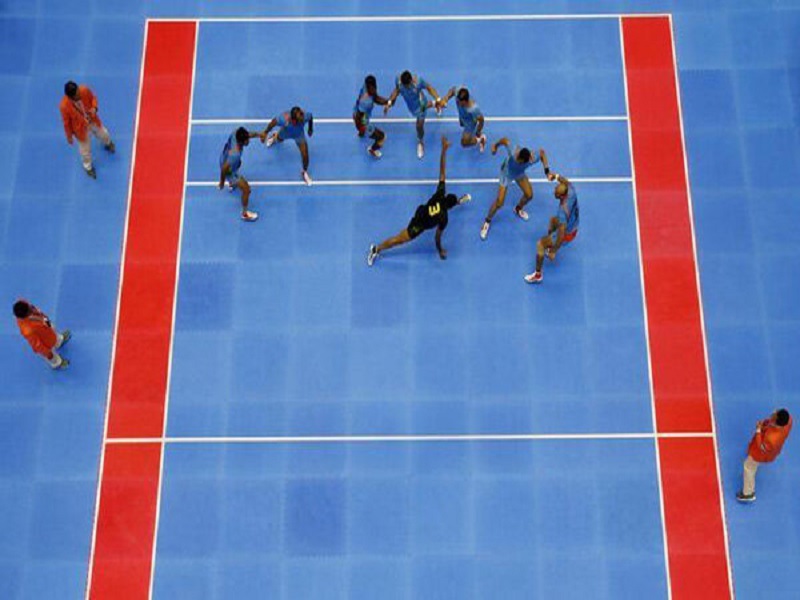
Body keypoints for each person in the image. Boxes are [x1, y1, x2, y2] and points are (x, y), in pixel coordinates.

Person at [367, 136, 470, 265]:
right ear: (450, 207)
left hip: (421, 210)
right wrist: (440, 250)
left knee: (406, 231)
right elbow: (437, 237)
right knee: (399, 240)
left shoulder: (440, 193)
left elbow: (442, 172)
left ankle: (458, 201)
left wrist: (444, 150)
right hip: (418, 225)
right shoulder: (444, 218)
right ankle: (376, 249)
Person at [480, 138, 550, 240]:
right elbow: (505, 140)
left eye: (520, 161)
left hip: (519, 174)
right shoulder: (513, 151)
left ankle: (518, 209)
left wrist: (547, 172)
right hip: (506, 173)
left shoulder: (531, 158)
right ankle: (487, 221)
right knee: (499, 202)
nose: (517, 159)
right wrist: (495, 145)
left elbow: (542, 153)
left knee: (529, 195)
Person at [524, 173, 579, 284]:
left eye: (556, 193)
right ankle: (550, 246)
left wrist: (554, 251)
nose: (554, 192)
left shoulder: (562, 211)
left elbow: (561, 234)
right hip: (573, 224)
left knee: (540, 244)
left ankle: (538, 275)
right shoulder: (571, 191)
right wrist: (556, 176)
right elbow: (565, 181)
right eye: (555, 189)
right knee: (553, 221)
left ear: (562, 196)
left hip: (567, 234)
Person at [59, 81, 115, 179]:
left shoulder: (84, 90)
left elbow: (93, 98)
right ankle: (88, 167)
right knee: (85, 150)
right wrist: (69, 136)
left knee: (104, 134)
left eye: (78, 91)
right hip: (80, 129)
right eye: (77, 95)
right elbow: (66, 123)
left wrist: (94, 108)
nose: (79, 94)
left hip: (93, 120)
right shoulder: (64, 106)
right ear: (70, 97)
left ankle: (108, 143)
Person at [737, 408, 793, 503]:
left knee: (748, 467)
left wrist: (758, 430)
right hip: (768, 444)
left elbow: (761, 447)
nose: (774, 412)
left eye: (775, 414)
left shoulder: (772, 439)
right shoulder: (789, 420)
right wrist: (766, 423)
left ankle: (748, 493)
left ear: (776, 420)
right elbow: (772, 422)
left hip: (760, 454)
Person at [384, 70, 442, 159]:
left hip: (421, 104)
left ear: (411, 81)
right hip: (411, 106)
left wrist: (438, 99)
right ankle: (435, 104)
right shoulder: (399, 81)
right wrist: (389, 102)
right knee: (424, 107)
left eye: (407, 85)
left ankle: (420, 142)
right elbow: (396, 90)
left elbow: (429, 88)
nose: (405, 87)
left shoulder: (418, 81)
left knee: (419, 125)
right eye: (404, 86)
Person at [261, 106, 314, 185]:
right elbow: (273, 123)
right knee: (279, 140)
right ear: (294, 120)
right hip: (286, 133)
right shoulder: (283, 119)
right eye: (300, 119)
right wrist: (265, 132)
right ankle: (274, 136)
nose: (303, 119)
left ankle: (304, 172)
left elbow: (310, 117)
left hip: (299, 135)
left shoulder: (304, 116)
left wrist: (310, 128)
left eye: (302, 117)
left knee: (305, 155)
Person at [13, 300, 71, 370]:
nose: (32, 309)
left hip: (47, 327)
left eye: (29, 307)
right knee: (52, 357)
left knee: (55, 334)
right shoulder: (28, 331)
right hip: (46, 342)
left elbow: (39, 313)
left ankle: (59, 341)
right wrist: (47, 353)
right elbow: (37, 345)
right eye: (29, 310)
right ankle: (57, 363)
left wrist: (47, 321)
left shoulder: (23, 303)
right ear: (26, 315)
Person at [218, 127, 260, 222]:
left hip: (224, 158)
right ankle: (245, 214)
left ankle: (232, 184)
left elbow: (248, 134)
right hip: (229, 171)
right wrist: (222, 182)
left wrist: (259, 134)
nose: (249, 141)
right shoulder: (235, 155)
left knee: (239, 163)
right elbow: (224, 168)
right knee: (246, 189)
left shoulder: (236, 133)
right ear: (242, 142)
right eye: (247, 140)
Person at [438, 85, 486, 151]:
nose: (459, 104)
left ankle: (481, 139)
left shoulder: (474, 109)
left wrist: (478, 131)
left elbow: (481, 120)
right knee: (461, 124)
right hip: (462, 116)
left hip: (469, 123)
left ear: (466, 101)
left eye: (461, 103)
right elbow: (452, 90)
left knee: (464, 143)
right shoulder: (458, 92)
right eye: (458, 101)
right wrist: (445, 98)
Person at [354, 75, 389, 158]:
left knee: (361, 128)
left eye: (374, 87)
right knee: (382, 137)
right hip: (362, 122)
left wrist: (386, 102)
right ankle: (372, 149)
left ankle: (361, 133)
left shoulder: (365, 87)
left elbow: (375, 97)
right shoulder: (366, 102)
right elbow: (360, 118)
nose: (373, 90)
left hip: (356, 111)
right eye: (371, 88)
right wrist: (363, 128)